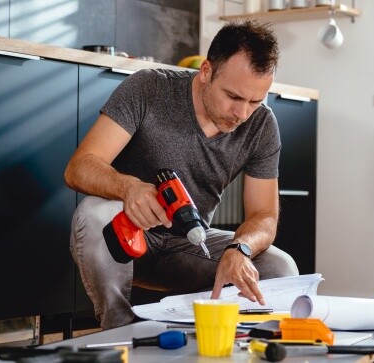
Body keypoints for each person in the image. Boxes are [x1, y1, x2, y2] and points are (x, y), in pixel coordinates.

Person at [64, 20, 299, 329]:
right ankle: (118, 330)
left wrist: (239, 249)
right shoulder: (150, 88)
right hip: (126, 240)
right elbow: (79, 167)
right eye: (233, 97)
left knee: (280, 267)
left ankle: (221, 336)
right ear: (206, 72)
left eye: (255, 101)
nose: (242, 114)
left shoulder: (262, 125)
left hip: (191, 246)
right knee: (96, 212)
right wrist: (129, 188)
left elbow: (264, 214)